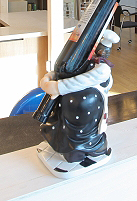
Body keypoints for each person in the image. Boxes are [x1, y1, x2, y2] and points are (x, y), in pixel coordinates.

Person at [38, 30, 119, 166]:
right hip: (69, 113)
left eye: (104, 51)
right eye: (100, 49)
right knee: (67, 131)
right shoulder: (86, 62)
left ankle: (85, 149)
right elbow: (68, 72)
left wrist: (57, 87)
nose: (101, 53)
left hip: (90, 113)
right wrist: (50, 78)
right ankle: (69, 149)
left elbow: (79, 82)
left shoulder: (102, 70)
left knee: (84, 135)